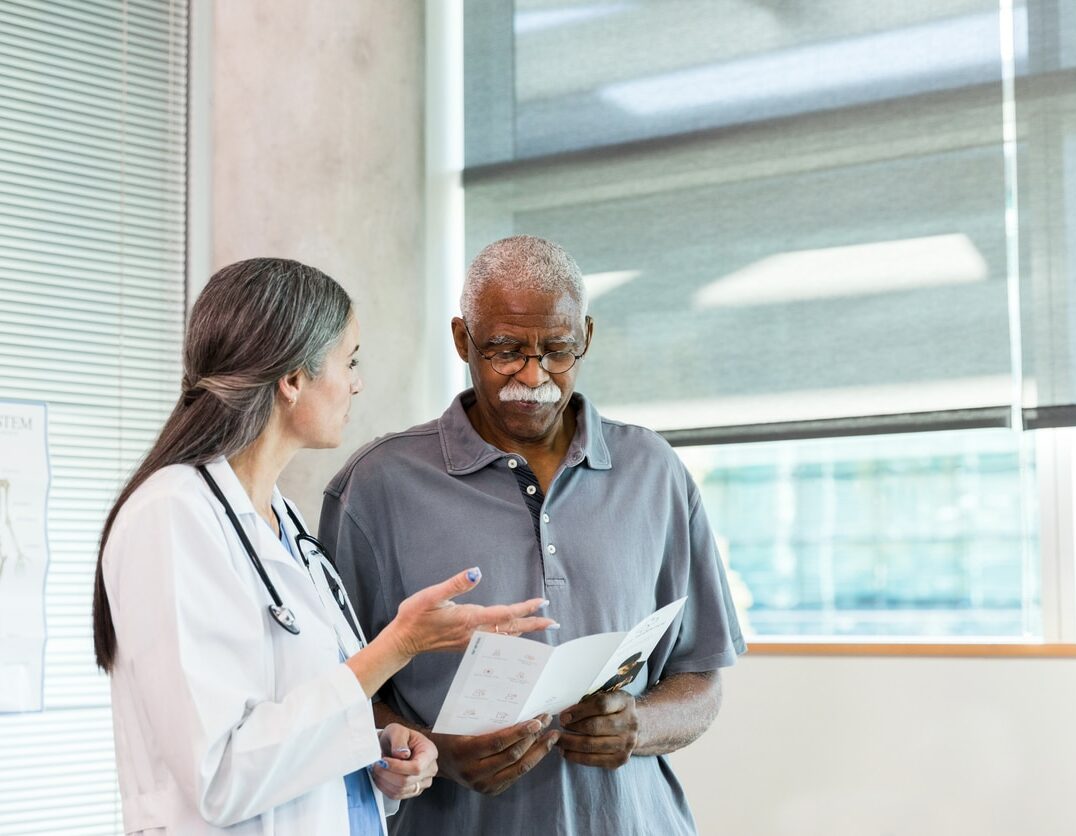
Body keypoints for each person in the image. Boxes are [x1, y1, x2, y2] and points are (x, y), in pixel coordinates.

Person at [91, 258, 556, 835]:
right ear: (292, 379)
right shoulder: (172, 515)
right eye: (349, 361)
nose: (357, 382)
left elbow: (292, 721)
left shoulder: (279, 518)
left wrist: (378, 751)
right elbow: (218, 776)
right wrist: (399, 645)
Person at [321, 236, 746, 835]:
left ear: (587, 338)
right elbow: (331, 695)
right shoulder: (376, 486)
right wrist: (436, 752)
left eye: (558, 350)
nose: (533, 375)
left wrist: (639, 725)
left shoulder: (654, 471)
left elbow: (701, 677)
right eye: (505, 350)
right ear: (462, 339)